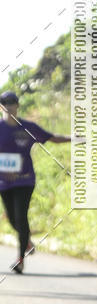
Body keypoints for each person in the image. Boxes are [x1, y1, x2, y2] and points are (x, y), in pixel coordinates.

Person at [0, 91, 72, 274]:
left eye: (12, 102)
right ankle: (28, 241)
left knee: (21, 216)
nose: (9, 106)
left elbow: (51, 137)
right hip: (4, 182)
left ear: (17, 105)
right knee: (13, 219)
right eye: (4, 103)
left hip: (24, 181)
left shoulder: (27, 127)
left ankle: (20, 260)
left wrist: (73, 138)